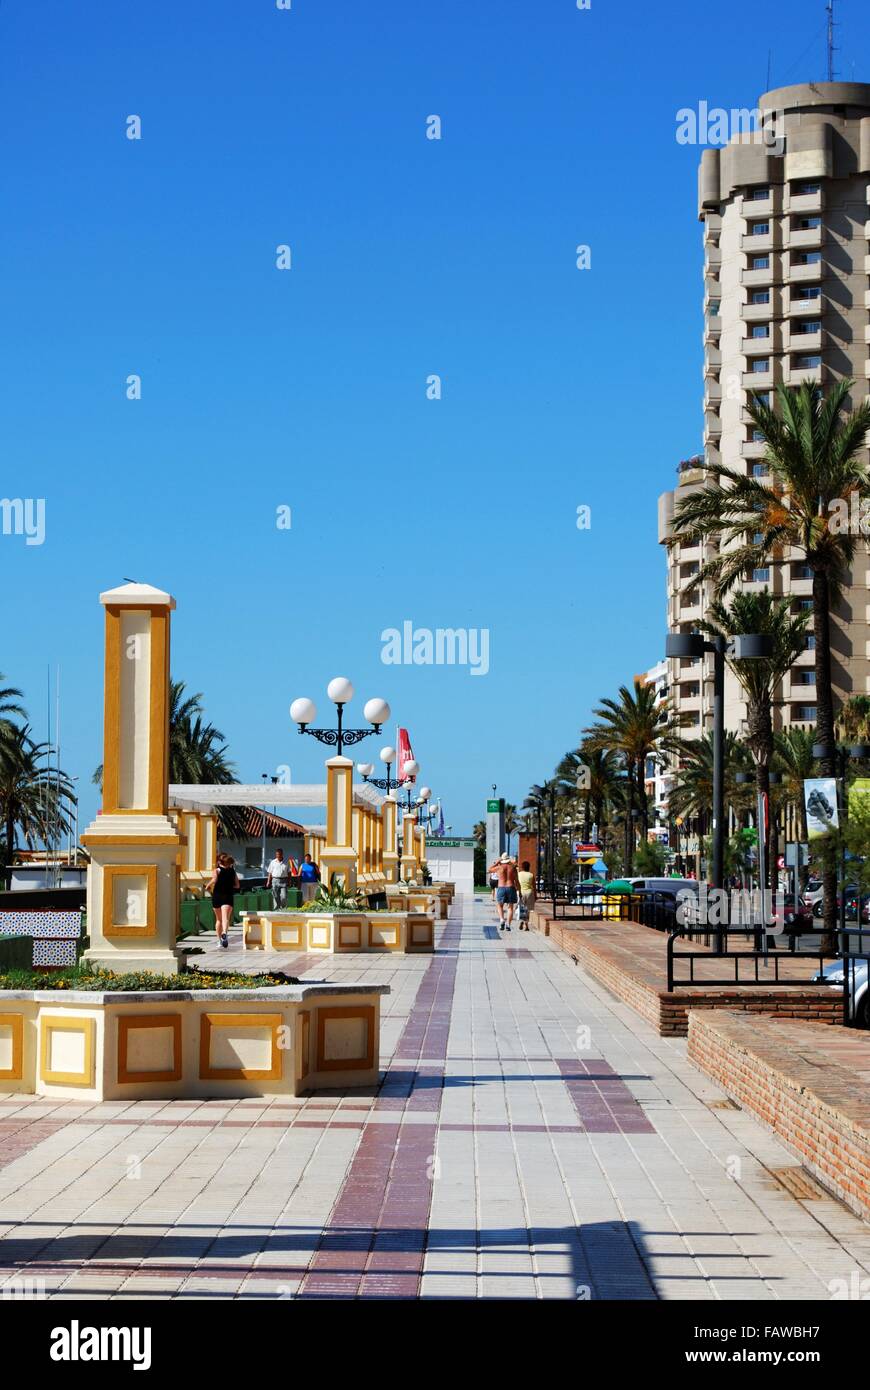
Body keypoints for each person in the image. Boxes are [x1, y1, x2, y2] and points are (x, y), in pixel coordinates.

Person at [207, 852, 239, 950]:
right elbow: (237, 885)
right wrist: (229, 885)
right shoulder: (232, 871)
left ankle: (219, 941)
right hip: (228, 896)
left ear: (218, 861)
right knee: (225, 918)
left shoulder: (216, 870)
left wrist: (208, 885)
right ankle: (224, 933)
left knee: (218, 919)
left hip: (217, 895)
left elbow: (215, 880)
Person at [487, 851, 521, 931]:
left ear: (502, 860)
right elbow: (517, 880)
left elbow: (489, 869)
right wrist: (519, 890)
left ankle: (502, 919)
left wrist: (497, 863)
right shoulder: (512, 868)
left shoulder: (499, 868)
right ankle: (508, 925)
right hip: (511, 887)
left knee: (499, 905)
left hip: (501, 887)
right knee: (510, 907)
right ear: (508, 860)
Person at [517, 860, 536, 930]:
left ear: (522, 867)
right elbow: (534, 886)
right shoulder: (531, 875)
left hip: (521, 892)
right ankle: (526, 924)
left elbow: (517, 884)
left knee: (522, 908)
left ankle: (522, 921)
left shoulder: (519, 874)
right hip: (529, 893)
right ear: (529, 867)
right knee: (527, 910)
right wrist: (536, 895)